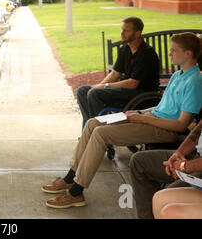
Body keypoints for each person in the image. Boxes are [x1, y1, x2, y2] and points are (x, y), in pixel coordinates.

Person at [42, 32, 202, 209]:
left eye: (174, 50)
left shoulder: (195, 81)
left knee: (101, 134)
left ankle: (76, 192)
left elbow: (180, 124)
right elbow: (163, 108)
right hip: (151, 117)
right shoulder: (178, 75)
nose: (170, 54)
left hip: (164, 129)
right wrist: (139, 112)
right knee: (93, 123)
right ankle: (70, 178)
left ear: (188, 53)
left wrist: (143, 118)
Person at [77, 17, 159, 125]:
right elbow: (115, 73)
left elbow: (132, 84)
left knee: (95, 94)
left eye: (126, 30)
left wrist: (103, 87)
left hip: (141, 95)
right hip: (126, 91)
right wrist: (97, 85)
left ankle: (100, 130)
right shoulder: (125, 49)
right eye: (122, 29)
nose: (122, 33)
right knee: (82, 91)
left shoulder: (146, 53)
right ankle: (91, 128)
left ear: (137, 33)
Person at [130, 120, 202, 219]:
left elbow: (181, 124)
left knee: (169, 204)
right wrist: (179, 153)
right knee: (139, 161)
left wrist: (185, 166)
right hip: (195, 155)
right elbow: (199, 127)